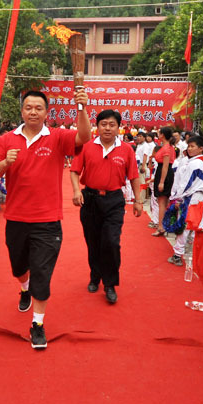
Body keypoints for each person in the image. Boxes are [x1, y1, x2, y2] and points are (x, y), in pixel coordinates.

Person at [0, 89, 90, 349]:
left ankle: (38, 324)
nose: (33, 112)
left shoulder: (57, 137)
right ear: (22, 111)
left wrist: (81, 108)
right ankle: (24, 288)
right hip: (17, 218)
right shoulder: (6, 140)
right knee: (18, 266)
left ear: (47, 112)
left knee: (42, 274)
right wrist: (5, 164)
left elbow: (84, 137)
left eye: (39, 108)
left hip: (47, 220)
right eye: (29, 107)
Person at [70, 109, 141, 304]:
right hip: (90, 199)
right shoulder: (86, 146)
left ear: (119, 127)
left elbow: (134, 176)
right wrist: (77, 191)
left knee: (110, 242)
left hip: (114, 201)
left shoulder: (126, 149)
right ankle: (95, 276)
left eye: (112, 124)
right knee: (93, 242)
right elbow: (75, 171)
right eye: (104, 124)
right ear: (97, 126)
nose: (107, 128)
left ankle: (110, 284)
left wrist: (138, 200)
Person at [166, 135, 203, 267]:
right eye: (189, 146)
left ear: (201, 148)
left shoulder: (194, 163)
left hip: (191, 198)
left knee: (186, 224)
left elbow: (185, 184)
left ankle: (177, 254)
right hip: (199, 197)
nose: (190, 149)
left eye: (193, 146)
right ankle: (198, 253)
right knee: (197, 225)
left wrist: (177, 198)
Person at [151, 127, 176, 237]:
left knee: (162, 201)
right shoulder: (168, 147)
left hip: (164, 173)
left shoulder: (167, 148)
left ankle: (161, 227)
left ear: (162, 135)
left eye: (159, 133)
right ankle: (162, 225)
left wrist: (161, 182)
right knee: (162, 201)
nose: (158, 134)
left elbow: (165, 166)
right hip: (162, 172)